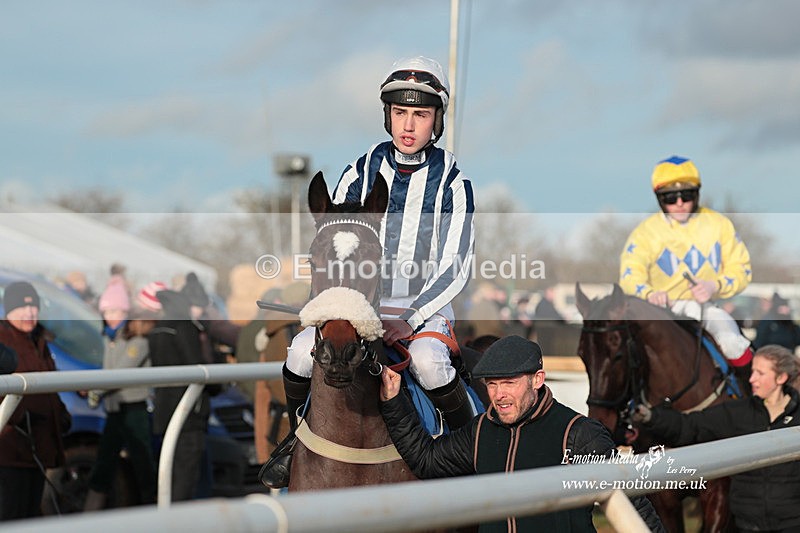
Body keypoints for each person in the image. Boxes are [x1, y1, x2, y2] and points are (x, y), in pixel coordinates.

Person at [262, 56, 476, 488]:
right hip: (355, 304)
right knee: (301, 353)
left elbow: (456, 265)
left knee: (429, 363)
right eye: (400, 113)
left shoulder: (453, 181)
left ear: (437, 119)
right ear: (387, 116)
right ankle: (296, 441)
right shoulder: (358, 170)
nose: (408, 125)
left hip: (422, 309)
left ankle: (472, 450)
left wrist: (408, 319)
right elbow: (331, 241)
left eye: (420, 114)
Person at [379, 335, 665, 532]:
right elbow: (426, 460)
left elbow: (633, 503)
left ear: (537, 379)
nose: (499, 395)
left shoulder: (578, 432)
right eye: (492, 384)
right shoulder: (479, 431)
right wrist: (394, 402)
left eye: (509, 383)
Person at [633, 344, 800, 532]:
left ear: (781, 378)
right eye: (752, 372)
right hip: (746, 527)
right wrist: (650, 417)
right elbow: (690, 426)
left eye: (760, 374)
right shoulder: (738, 412)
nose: (752, 379)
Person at [620, 156, 754, 380]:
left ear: (697, 194)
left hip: (704, 309)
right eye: (671, 197)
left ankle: (755, 403)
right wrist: (649, 293)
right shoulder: (645, 233)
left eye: (687, 195)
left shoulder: (719, 225)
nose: (680, 202)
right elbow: (629, 275)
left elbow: (741, 269)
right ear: (660, 199)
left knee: (733, 344)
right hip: (659, 311)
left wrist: (715, 286)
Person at [83, 275, 158, 510]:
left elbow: (121, 372)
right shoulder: (111, 336)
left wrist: (95, 390)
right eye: (107, 310)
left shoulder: (138, 340)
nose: (110, 315)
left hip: (132, 407)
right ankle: (90, 512)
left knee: (142, 462)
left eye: (116, 310)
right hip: (114, 408)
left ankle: (153, 509)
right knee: (104, 462)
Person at [0, 281, 70, 520]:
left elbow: (49, 385)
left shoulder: (39, 341)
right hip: (9, 449)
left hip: (37, 448)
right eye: (22, 308)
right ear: (8, 310)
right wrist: (18, 417)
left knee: (30, 514)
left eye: (34, 308)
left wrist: (60, 412)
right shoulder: (3, 341)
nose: (30, 313)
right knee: (10, 514)